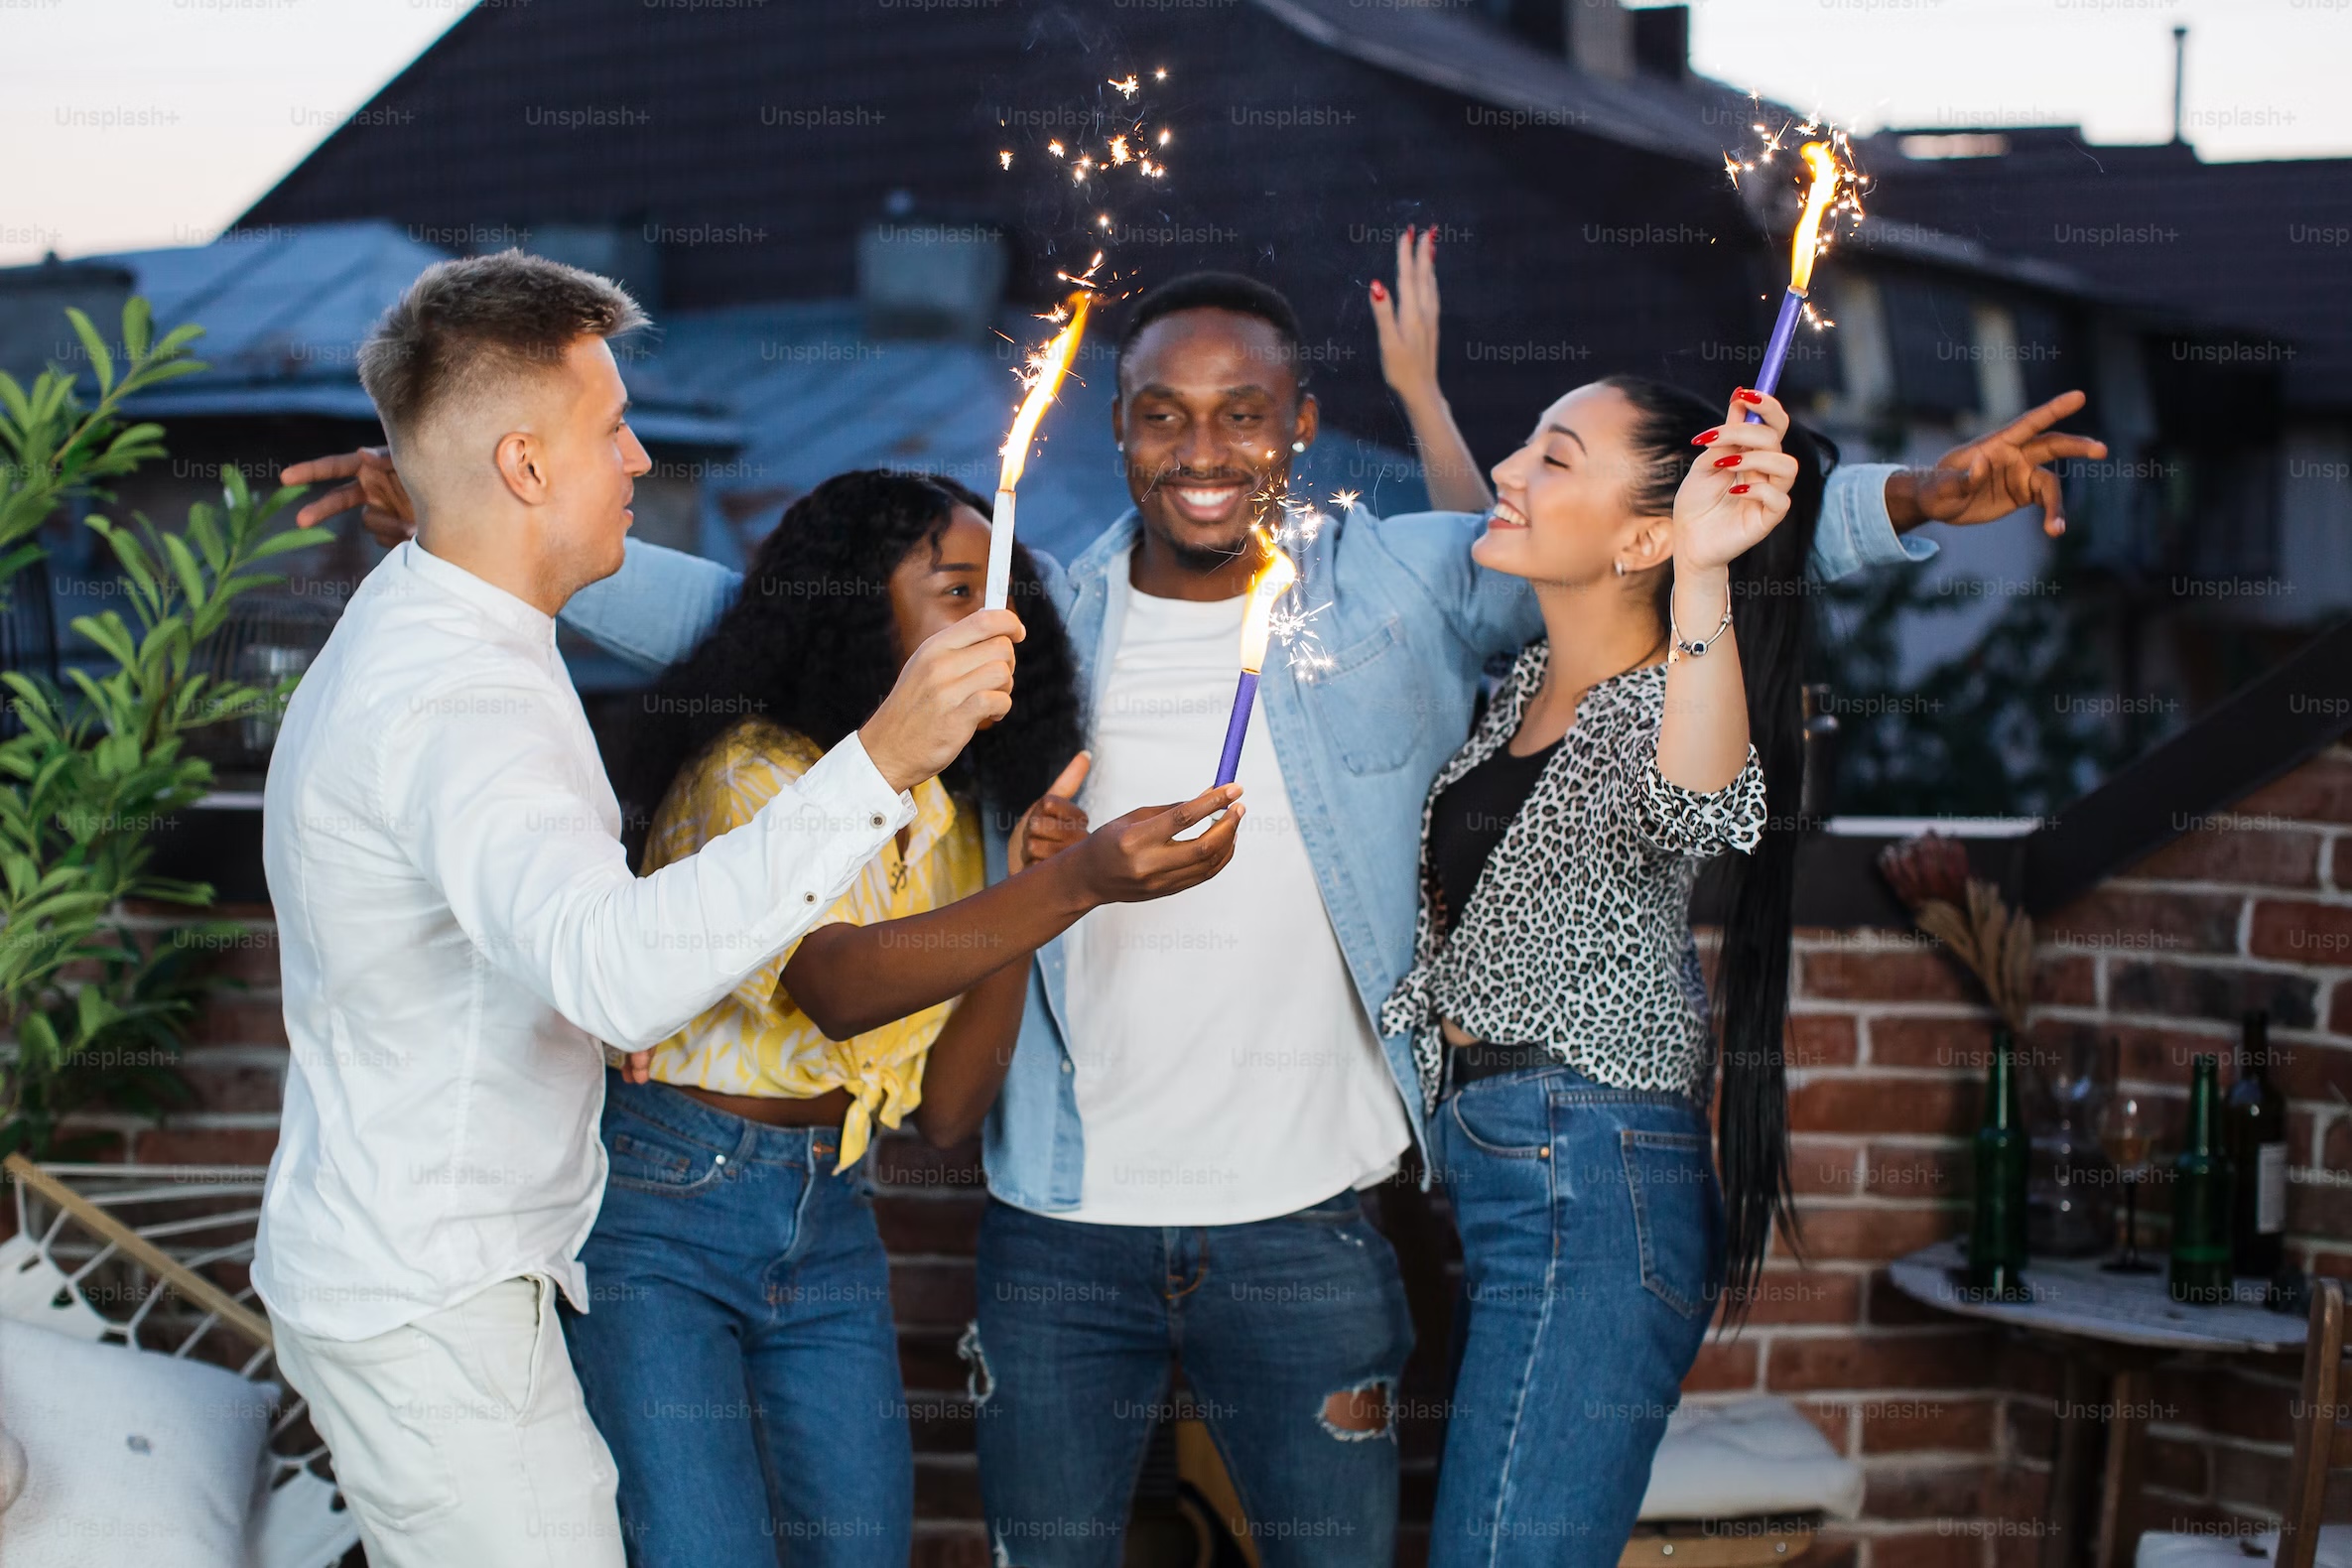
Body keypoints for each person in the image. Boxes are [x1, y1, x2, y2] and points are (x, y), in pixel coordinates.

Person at [287, 256, 2103, 1566]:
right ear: (1121, 433)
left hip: (1314, 1223)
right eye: (1161, 415)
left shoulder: (1393, 589)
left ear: (1299, 428)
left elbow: (1665, 527)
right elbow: (755, 617)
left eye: (1246, 413)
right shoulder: (1023, 618)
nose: (1204, 447)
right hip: (1062, 1229)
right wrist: (460, 520)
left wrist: (1912, 499)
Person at [254, 252, 1026, 1568]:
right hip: (431, 1304)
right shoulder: (463, 700)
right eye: (608, 426)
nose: (634, 455)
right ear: (523, 466)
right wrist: (880, 758)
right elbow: (612, 973)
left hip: (429, 1276)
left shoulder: (451, 608)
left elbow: (544, 920)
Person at [561, 468, 1243, 1568]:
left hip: (831, 1211)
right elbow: (834, 983)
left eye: (1006, 591)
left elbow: (948, 1112)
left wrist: (1026, 893)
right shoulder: (753, 771)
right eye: (955, 589)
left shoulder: (950, 812)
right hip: (670, 1208)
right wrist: (1068, 889)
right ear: (854, 605)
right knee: (702, 1547)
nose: (996, 621)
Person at [1377, 375, 1815, 1566]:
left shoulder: (1660, 706)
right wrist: (1424, 390)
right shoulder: (1531, 684)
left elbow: (1704, 791)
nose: (1516, 470)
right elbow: (1486, 520)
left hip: (1592, 1190)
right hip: (1532, 1186)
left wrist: (1709, 569)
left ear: (1643, 539)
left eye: (1555, 457)